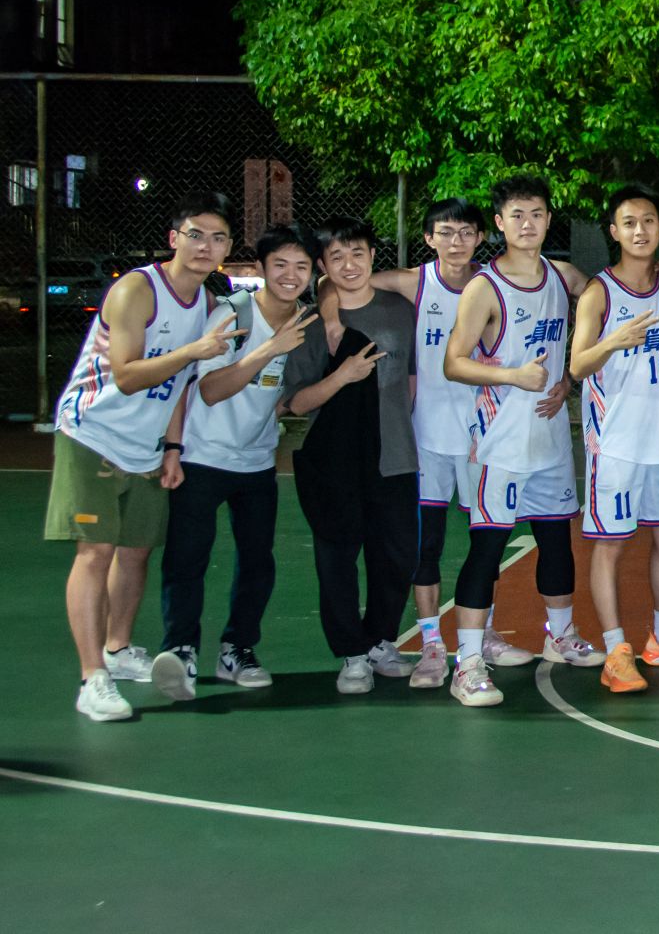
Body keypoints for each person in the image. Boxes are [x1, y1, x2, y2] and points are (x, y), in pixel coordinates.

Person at [318, 198, 574, 685]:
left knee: (487, 542)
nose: (456, 242)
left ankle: (485, 633)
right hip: (431, 436)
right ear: (429, 238)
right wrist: (332, 319)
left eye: (465, 232)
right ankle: (433, 644)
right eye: (445, 232)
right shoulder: (416, 282)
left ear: (481, 236)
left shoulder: (496, 282)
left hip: (485, 437)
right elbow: (335, 281)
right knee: (427, 544)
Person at [50, 192, 239, 720]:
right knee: (95, 552)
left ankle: (117, 649)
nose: (205, 246)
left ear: (227, 249)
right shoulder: (137, 289)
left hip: (147, 446)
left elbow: (179, 385)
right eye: (195, 234)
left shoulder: (207, 306)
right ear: (174, 238)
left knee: (135, 552)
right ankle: (92, 678)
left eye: (217, 238)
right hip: (93, 432)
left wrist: (173, 447)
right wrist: (193, 350)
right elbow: (128, 374)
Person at [442, 176, 597, 709]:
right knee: (487, 547)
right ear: (499, 223)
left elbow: (606, 302)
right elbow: (454, 362)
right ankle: (467, 664)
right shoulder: (485, 287)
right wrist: (512, 376)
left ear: (549, 219)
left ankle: (560, 635)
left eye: (536, 213)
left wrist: (568, 377)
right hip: (499, 442)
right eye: (516, 214)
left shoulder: (563, 276)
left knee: (556, 540)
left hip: (548, 436)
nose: (527, 223)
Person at [154, 225, 315, 694]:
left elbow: (286, 396)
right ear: (260, 268)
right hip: (202, 457)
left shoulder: (306, 321)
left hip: (257, 461)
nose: (290, 275)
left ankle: (237, 650)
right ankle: (181, 649)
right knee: (187, 558)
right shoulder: (232, 313)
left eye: (301, 266)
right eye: (280, 264)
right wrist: (269, 349)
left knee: (257, 563)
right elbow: (209, 389)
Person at [281, 217, 422, 694]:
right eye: (336, 257)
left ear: (372, 256)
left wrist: (403, 427)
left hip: (395, 455)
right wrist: (342, 377)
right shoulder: (313, 324)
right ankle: (352, 653)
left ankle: (380, 640)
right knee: (336, 558)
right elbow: (295, 402)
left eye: (357, 253)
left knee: (397, 555)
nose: (349, 265)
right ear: (323, 266)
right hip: (336, 461)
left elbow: (412, 378)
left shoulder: (401, 310)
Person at [569, 185, 659, 694]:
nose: (640, 231)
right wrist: (613, 340)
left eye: (649, 221)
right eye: (630, 223)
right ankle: (616, 650)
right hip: (615, 440)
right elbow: (577, 365)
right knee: (612, 544)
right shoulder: (600, 292)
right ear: (614, 232)